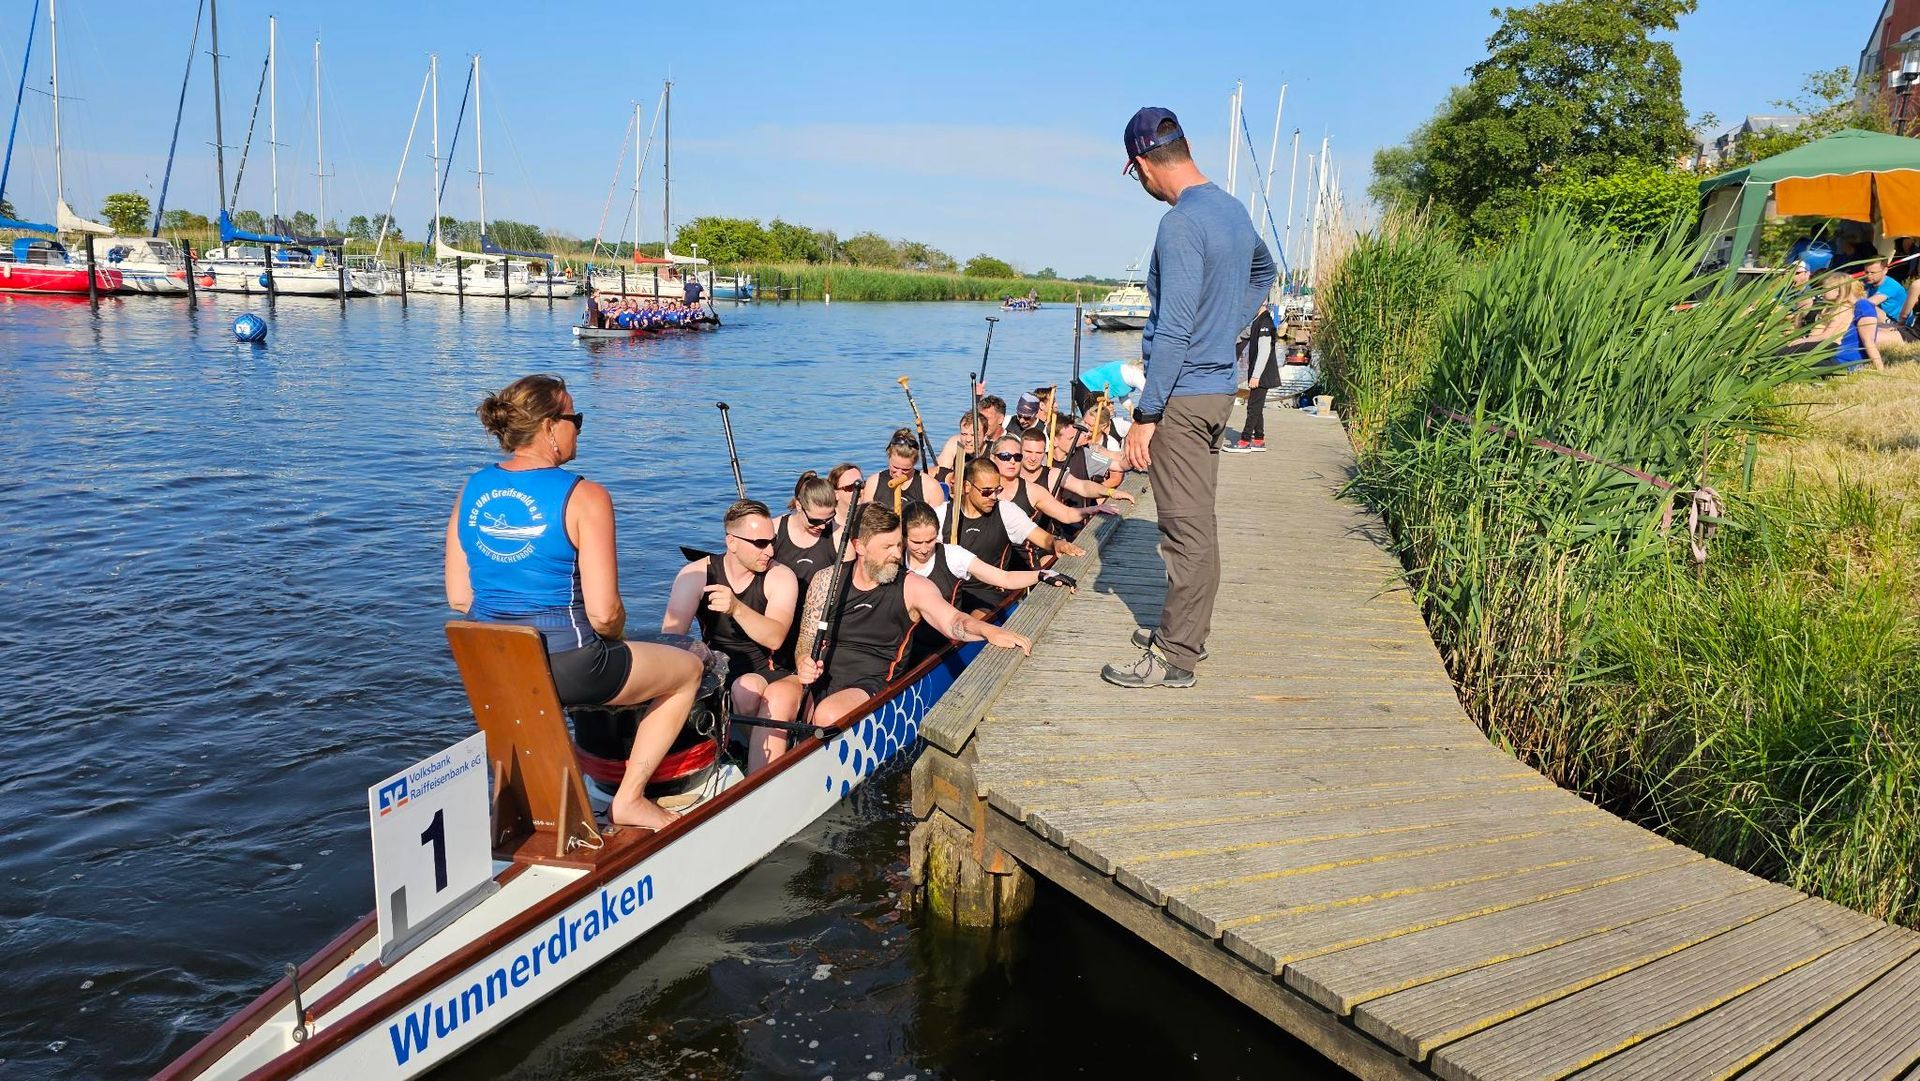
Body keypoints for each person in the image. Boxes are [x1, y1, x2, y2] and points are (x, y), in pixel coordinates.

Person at [445, 374, 700, 831]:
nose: (579, 428)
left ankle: (519, 813)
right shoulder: (586, 496)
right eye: (575, 419)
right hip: (568, 663)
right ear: (549, 426)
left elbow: (460, 597)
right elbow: (604, 614)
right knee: (687, 672)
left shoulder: (472, 488)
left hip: (491, 659)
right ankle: (630, 799)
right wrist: (616, 638)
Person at [1105, 106, 1275, 689]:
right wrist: (1225, 328)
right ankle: (1182, 631)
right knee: (1197, 522)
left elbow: (1174, 328)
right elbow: (1264, 271)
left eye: (1135, 174)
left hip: (1181, 396)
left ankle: (1176, 657)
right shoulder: (1231, 209)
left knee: (1184, 531)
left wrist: (1146, 414)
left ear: (1142, 164)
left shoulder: (1179, 224)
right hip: (1217, 391)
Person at [793, 503, 1032, 725]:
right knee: (777, 695)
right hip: (822, 673)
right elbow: (806, 639)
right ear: (859, 546)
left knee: (827, 714)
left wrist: (989, 631)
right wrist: (803, 661)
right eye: (887, 547)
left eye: (899, 545)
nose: (898, 554)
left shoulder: (913, 586)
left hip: (871, 683)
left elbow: (953, 621)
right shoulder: (827, 580)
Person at [662, 499, 800, 772]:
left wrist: (736, 608)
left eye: (772, 541)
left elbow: (775, 637)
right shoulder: (695, 574)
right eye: (760, 543)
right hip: (718, 669)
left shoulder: (780, 576)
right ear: (732, 542)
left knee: (745, 689)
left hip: (769, 669)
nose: (770, 551)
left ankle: (755, 761)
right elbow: (671, 639)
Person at [938, 457, 1085, 611]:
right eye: (987, 491)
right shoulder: (941, 514)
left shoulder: (1006, 511)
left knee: (974, 620)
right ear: (967, 487)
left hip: (992, 591)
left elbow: (1042, 538)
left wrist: (1057, 543)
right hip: (951, 592)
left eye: (997, 490)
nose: (993, 497)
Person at [1786, 271, 1882, 372]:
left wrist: (1879, 368)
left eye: (1826, 289)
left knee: (1796, 364)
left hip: (1843, 360)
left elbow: (1868, 341)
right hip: (1829, 354)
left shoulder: (1862, 306)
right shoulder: (1835, 306)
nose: (1822, 292)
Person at [772, 471, 842, 588]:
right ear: (799, 506)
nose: (823, 526)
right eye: (815, 521)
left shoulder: (840, 536)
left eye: (829, 519)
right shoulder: (773, 530)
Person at [1227, 303, 1281, 452]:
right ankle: (1258, 439)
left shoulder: (1265, 323)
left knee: (1252, 407)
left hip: (1262, 374)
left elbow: (1264, 351)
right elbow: (1246, 333)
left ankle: (1244, 441)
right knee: (1257, 406)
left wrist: (1256, 376)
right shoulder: (1258, 321)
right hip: (1260, 373)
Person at [860, 428, 947, 509]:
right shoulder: (873, 483)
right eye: (895, 467)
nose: (899, 474)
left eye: (905, 470)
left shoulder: (931, 487)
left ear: (914, 463)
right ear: (889, 457)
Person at [1074, 359, 1145, 416]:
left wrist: (1131, 409)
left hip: (1089, 387)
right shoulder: (1137, 375)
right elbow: (1149, 397)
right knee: (1092, 420)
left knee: (1102, 420)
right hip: (1087, 385)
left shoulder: (1132, 370)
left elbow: (1122, 394)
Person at [935, 410, 987, 488]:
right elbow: (939, 472)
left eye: (973, 435)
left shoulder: (993, 454)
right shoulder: (955, 444)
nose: (968, 439)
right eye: (964, 434)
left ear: (985, 436)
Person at [1863, 258, 1908, 327]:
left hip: (1899, 324)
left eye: (1873, 272)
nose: (1868, 276)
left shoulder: (1891, 286)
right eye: (1866, 272)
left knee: (1868, 306)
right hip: (1885, 319)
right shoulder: (1870, 282)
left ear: (1885, 271)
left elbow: (1867, 304)